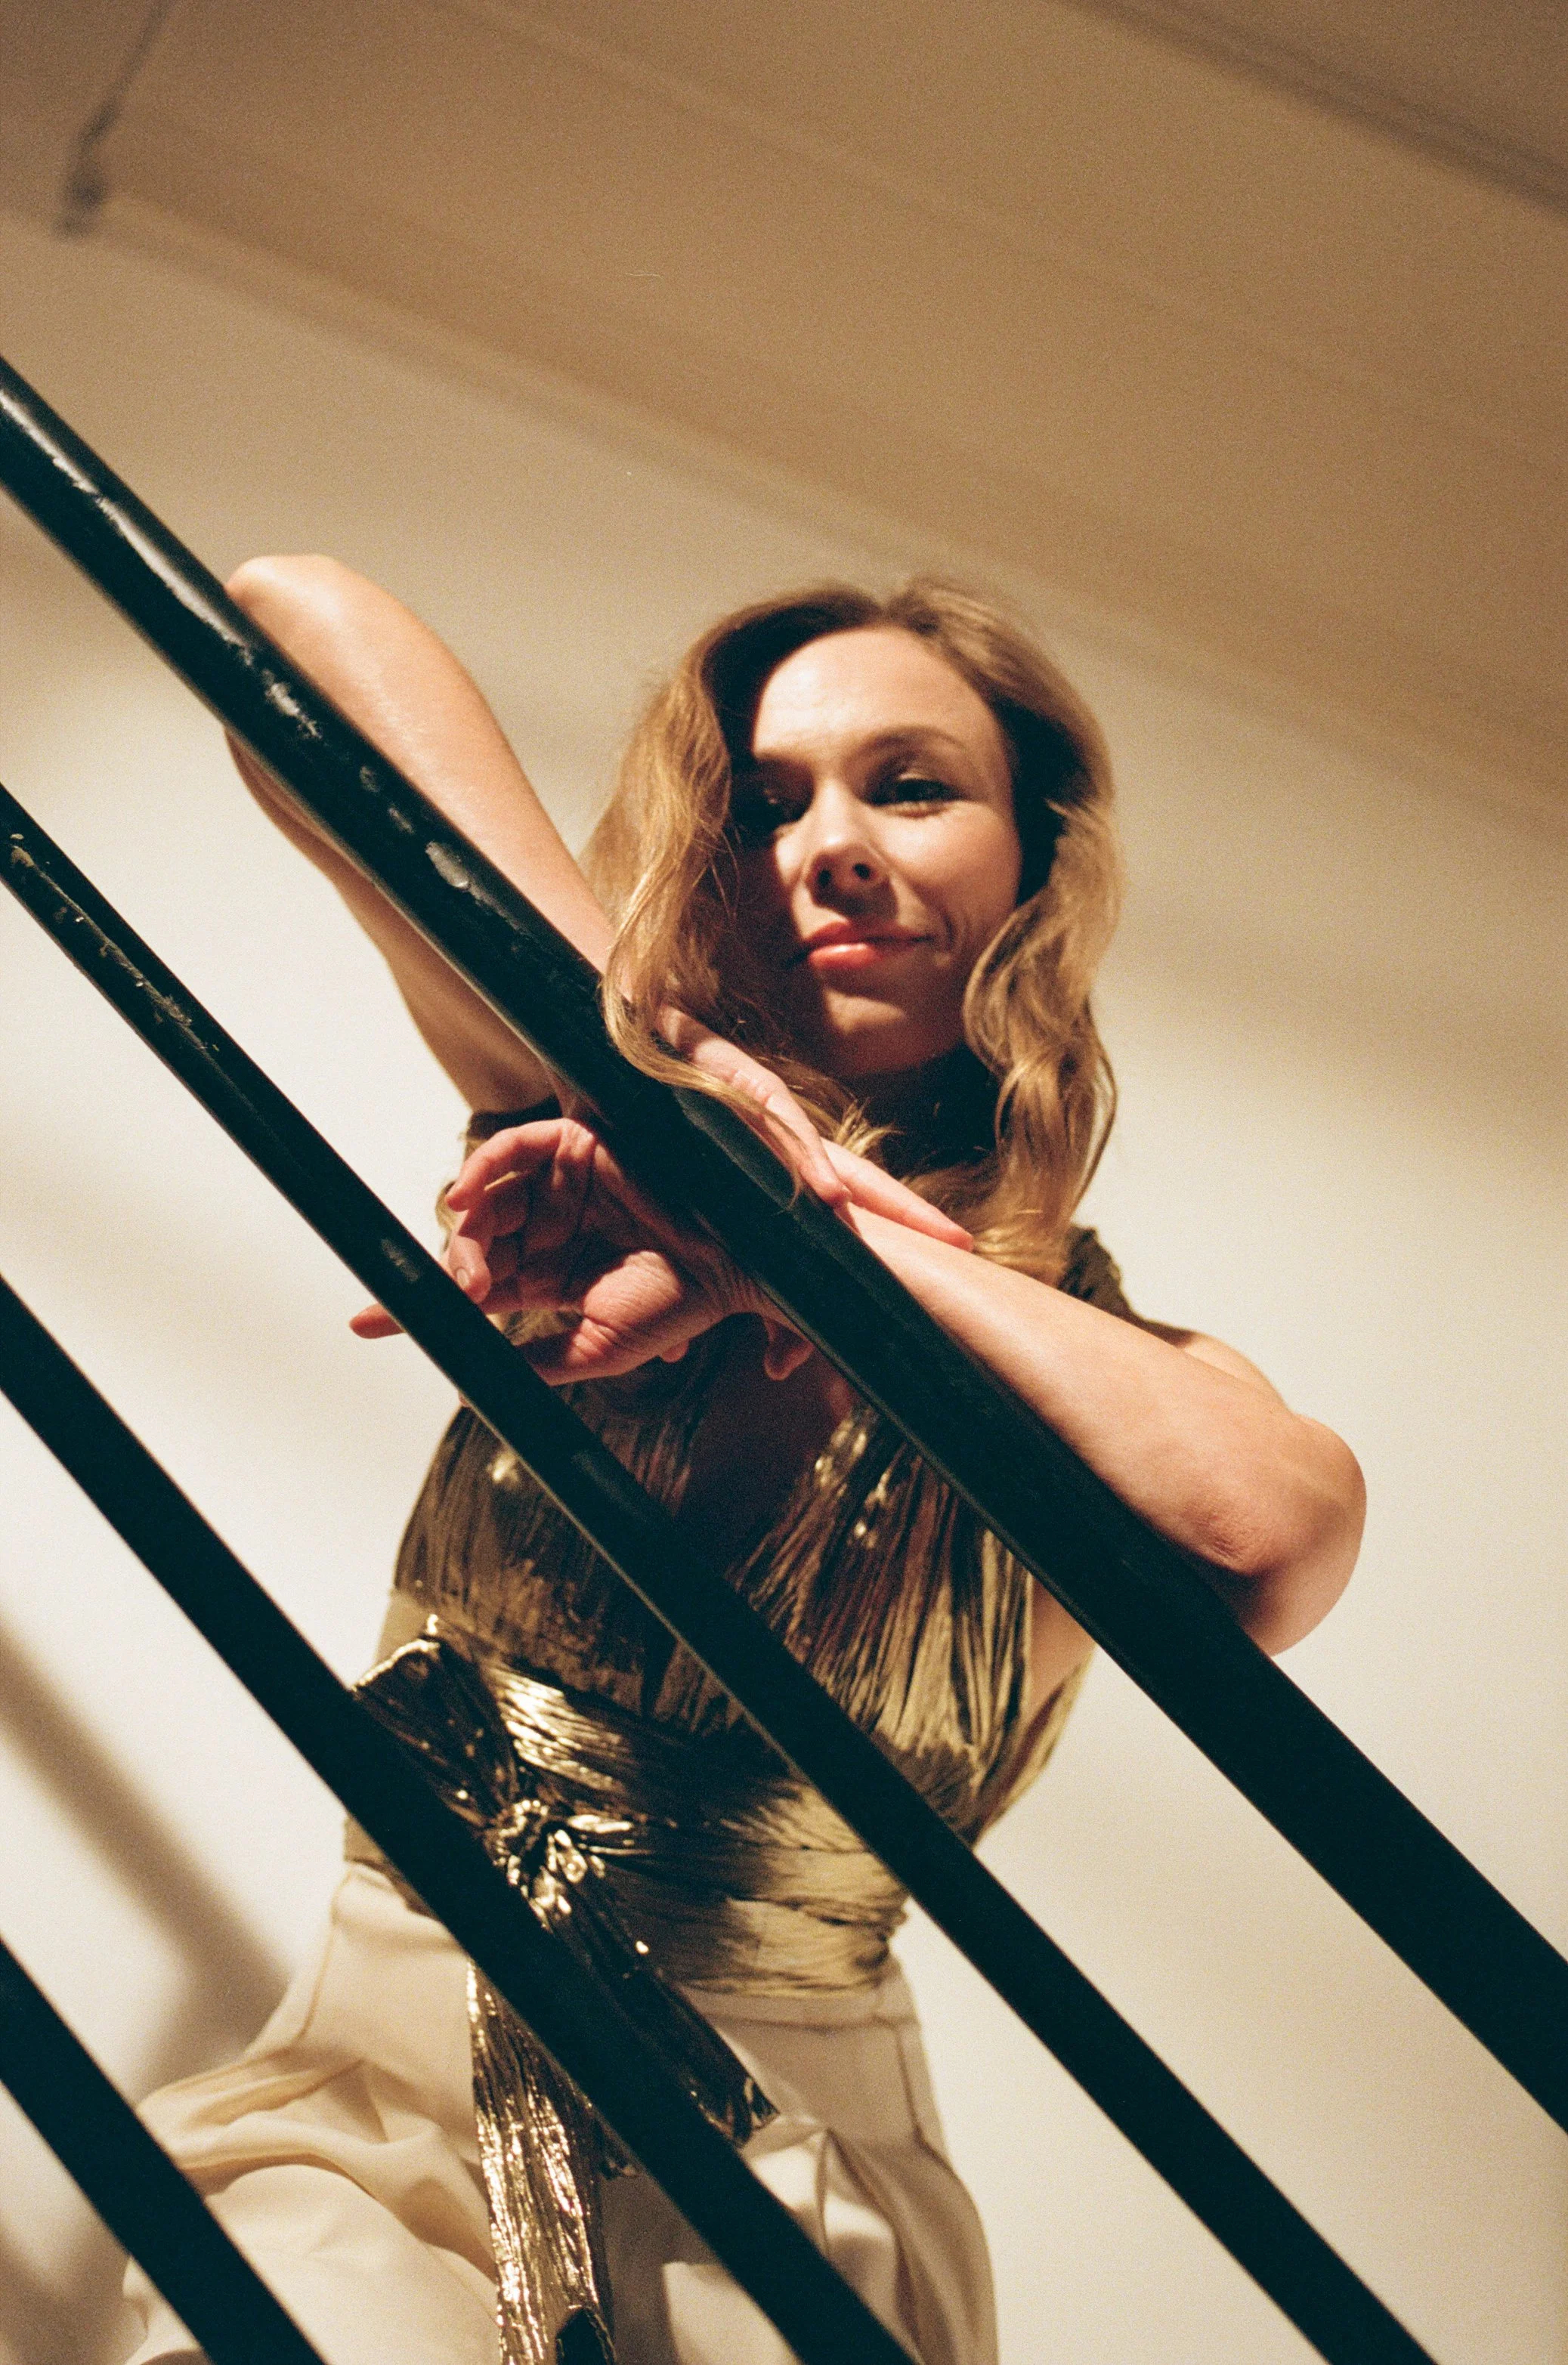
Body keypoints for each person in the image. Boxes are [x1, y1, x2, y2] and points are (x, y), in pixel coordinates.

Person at [122, 565, 1365, 2365]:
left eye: (909, 785)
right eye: (768, 804)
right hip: (379, 2095)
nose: (832, 844)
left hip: (791, 2180)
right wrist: (677, 1098)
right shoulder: (584, 1121)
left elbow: (1268, 1525)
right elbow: (286, 626)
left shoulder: (1129, 1373)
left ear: (1035, 858)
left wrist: (807, 1227)